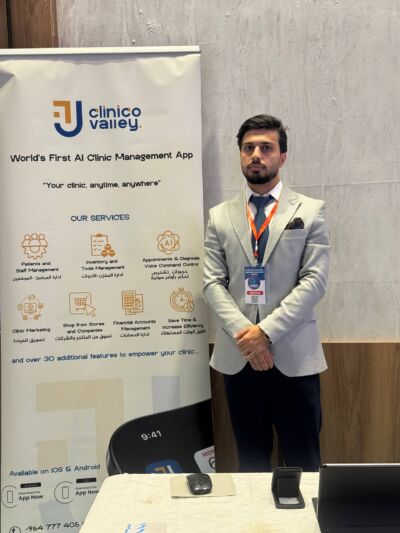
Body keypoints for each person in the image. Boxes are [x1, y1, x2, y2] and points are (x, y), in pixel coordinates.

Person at [203, 114, 330, 472]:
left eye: (266, 147)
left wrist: (266, 333)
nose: (256, 155)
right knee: (251, 463)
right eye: (248, 148)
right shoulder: (219, 216)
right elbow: (212, 282)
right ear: (240, 155)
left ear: (282, 156)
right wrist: (249, 338)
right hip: (240, 358)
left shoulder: (310, 211)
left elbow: (314, 281)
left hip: (294, 357)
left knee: (304, 463)